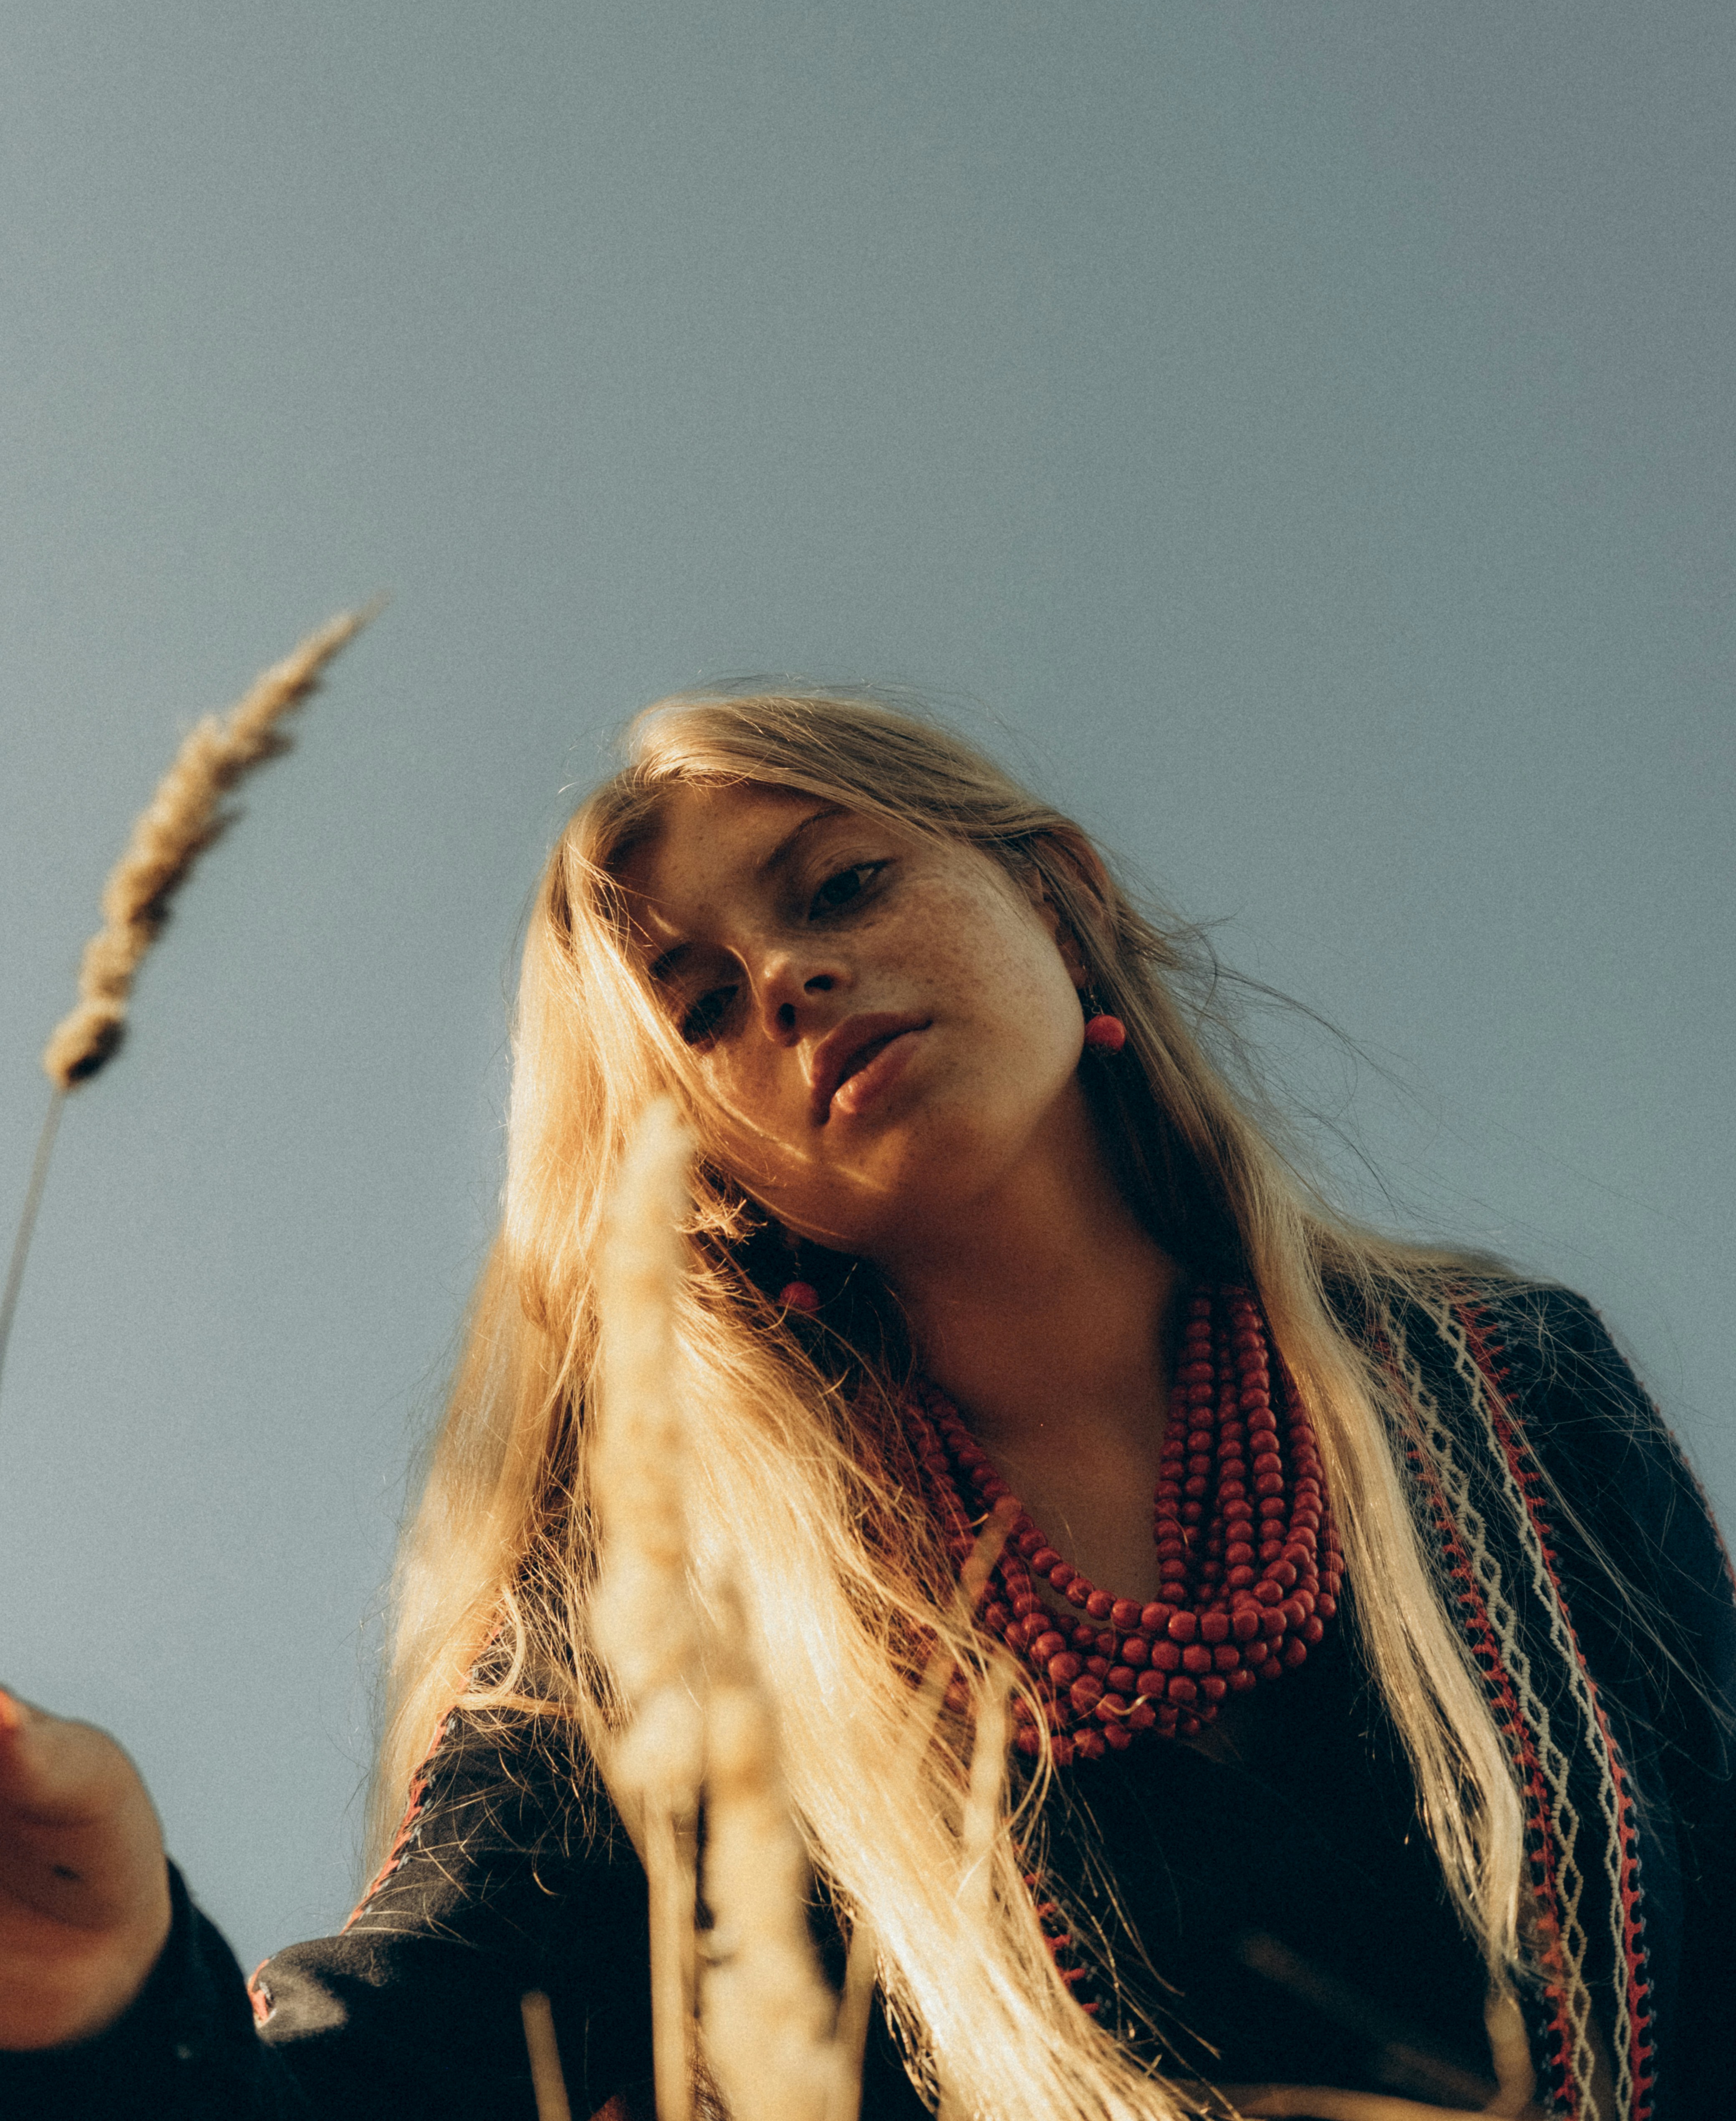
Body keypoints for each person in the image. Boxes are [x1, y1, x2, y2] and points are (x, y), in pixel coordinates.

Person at [2, 692, 1731, 2121]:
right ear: (706, 1168)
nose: (785, 980)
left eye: (838, 888)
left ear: (1058, 899)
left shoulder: (1499, 1378)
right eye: (699, 1008)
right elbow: (374, 2064)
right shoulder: (656, 1622)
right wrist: (109, 1990)